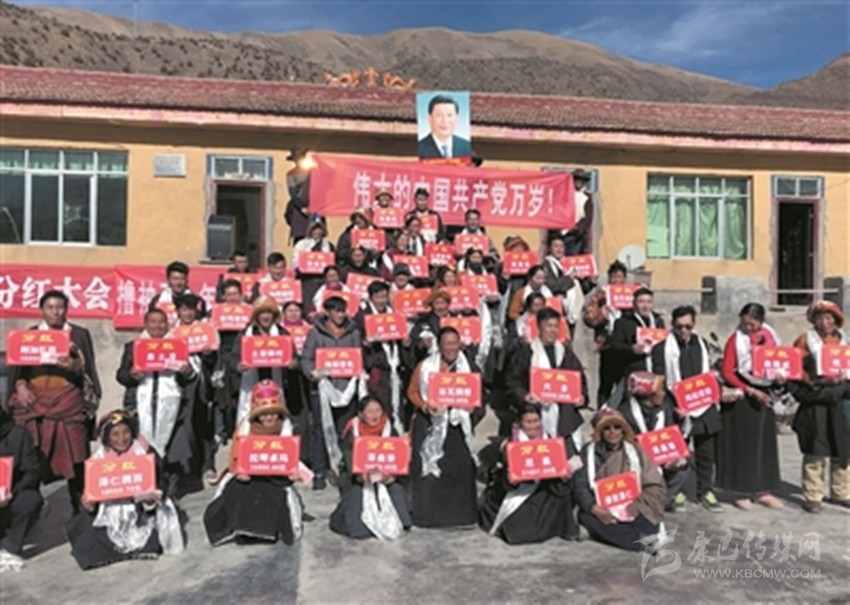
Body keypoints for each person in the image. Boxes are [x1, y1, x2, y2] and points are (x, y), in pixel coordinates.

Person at [8, 289, 101, 514]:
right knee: (31, 456)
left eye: (60, 307)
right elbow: (19, 371)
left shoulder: (78, 335)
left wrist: (74, 366)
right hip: (34, 403)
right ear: (42, 310)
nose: (55, 312)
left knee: (78, 458)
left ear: (66, 310)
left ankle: (81, 509)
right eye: (50, 307)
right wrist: (20, 387)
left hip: (67, 404)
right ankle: (30, 506)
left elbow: (88, 370)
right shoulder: (30, 335)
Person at [66, 410, 184, 570]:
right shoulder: (98, 460)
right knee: (88, 535)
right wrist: (89, 502)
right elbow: (91, 491)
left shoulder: (145, 451)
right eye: (115, 434)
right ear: (106, 437)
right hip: (109, 510)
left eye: (126, 432)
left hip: (141, 509)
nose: (122, 439)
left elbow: (161, 480)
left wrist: (152, 497)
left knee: (152, 532)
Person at [203, 381, 306, 546]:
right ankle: (241, 527)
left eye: (273, 413)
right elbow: (236, 457)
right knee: (237, 489)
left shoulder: (286, 428)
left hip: (276, 477)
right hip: (249, 476)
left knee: (274, 492)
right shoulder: (245, 428)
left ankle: (270, 529)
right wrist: (240, 471)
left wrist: (294, 472)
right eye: (264, 414)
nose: (269, 418)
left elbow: (291, 459)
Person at [407, 328, 484, 528]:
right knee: (430, 467)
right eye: (447, 344)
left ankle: (461, 516)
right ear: (439, 346)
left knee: (461, 467)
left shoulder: (469, 367)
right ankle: (428, 516)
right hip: (432, 422)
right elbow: (412, 391)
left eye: (454, 343)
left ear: (460, 344)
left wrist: (473, 407)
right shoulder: (425, 366)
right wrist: (425, 406)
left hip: (458, 424)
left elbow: (479, 395)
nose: (451, 348)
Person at [117, 309, 198, 497]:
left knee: (172, 448)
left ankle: (170, 493)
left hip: (172, 404)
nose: (158, 326)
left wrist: (186, 372)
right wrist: (132, 375)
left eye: (162, 322)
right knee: (141, 446)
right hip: (140, 403)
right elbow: (121, 375)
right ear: (145, 324)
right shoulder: (133, 347)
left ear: (167, 324)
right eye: (153, 322)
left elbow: (191, 377)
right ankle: (144, 487)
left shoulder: (177, 346)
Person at [651, 305, 721, 511]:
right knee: (677, 452)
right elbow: (660, 381)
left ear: (694, 325)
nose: (684, 331)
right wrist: (673, 406)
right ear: (672, 325)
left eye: (688, 327)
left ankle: (705, 490)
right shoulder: (661, 349)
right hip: (676, 406)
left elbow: (708, 375)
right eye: (679, 327)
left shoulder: (702, 344)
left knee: (706, 451)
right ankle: (678, 490)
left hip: (703, 405)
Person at [478, 403, 578, 544]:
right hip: (519, 491)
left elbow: (558, 470)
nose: (533, 426)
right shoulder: (510, 445)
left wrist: (565, 476)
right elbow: (500, 477)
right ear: (520, 423)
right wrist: (510, 480)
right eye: (528, 422)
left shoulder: (551, 442)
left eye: (536, 421)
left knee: (561, 495)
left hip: (543, 489)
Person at [719, 303, 783, 510]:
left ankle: (762, 490)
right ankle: (741, 491)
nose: (748, 328)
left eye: (753, 325)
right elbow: (727, 371)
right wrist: (750, 390)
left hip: (765, 392)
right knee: (743, 445)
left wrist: (780, 377)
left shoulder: (771, 338)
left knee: (764, 444)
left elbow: (780, 363)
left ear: (761, 323)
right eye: (745, 323)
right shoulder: (735, 340)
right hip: (743, 395)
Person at [573, 409, 666, 552]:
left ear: (623, 430)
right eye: (607, 428)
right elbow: (580, 485)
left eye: (617, 427)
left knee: (648, 514)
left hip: (634, 505)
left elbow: (654, 484)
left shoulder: (636, 450)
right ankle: (639, 541)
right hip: (603, 507)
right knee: (586, 516)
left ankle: (603, 534)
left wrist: (638, 504)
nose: (612, 432)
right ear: (599, 431)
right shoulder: (588, 451)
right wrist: (594, 508)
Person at [788, 301, 850, 512]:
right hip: (816, 399)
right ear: (813, 320)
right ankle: (813, 495)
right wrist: (818, 381)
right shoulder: (804, 341)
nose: (825, 322)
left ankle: (841, 492)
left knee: (843, 447)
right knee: (815, 447)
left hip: (841, 400)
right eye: (820, 318)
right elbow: (795, 368)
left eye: (829, 318)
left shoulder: (844, 342)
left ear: (836, 321)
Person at [301, 296, 367, 490]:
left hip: (347, 388)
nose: (340, 315)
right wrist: (313, 373)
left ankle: (343, 468)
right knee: (321, 430)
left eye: (342, 311)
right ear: (327, 312)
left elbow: (358, 356)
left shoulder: (353, 332)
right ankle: (320, 471)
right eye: (336, 311)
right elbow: (306, 359)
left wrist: (359, 370)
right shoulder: (315, 333)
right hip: (322, 388)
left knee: (344, 429)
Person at [329, 397, 412, 540]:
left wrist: (391, 476)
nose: (375, 415)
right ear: (361, 414)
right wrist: (361, 476)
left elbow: (397, 456)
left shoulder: (389, 429)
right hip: (358, 476)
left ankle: (401, 520)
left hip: (385, 475)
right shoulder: (352, 430)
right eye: (370, 412)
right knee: (357, 493)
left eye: (378, 411)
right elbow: (349, 458)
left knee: (396, 489)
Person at [505, 308, 588, 451]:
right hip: (536, 415)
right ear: (539, 326)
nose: (553, 330)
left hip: (565, 416)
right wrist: (524, 395)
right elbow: (512, 381)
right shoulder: (526, 353)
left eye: (556, 326)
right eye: (549, 325)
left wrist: (582, 397)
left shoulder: (566, 353)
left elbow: (579, 380)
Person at [620, 372, 692, 512]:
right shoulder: (625, 413)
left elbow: (673, 435)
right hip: (634, 461)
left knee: (684, 465)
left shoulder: (665, 408)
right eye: (660, 391)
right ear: (648, 395)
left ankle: (659, 502)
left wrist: (681, 420)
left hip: (659, 459)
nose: (663, 394)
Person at [354, 281, 408, 433]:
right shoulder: (362, 317)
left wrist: (406, 343)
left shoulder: (395, 315)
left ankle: (395, 435)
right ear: (370, 298)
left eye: (384, 297)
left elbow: (401, 338)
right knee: (380, 406)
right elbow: (356, 342)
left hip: (394, 366)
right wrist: (366, 344)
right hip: (377, 368)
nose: (382, 301)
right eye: (378, 297)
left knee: (397, 405)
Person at [0, 407, 42, 571]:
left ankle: (10, 546)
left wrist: (11, 491)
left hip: (11, 494)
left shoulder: (18, 434)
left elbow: (32, 471)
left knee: (30, 500)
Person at [583, 260, 628, 406]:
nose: (616, 280)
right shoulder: (600, 295)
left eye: (619, 277)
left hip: (626, 344)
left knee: (623, 382)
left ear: (624, 279)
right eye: (613, 276)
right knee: (606, 382)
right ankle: (602, 409)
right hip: (606, 343)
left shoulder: (630, 295)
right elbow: (589, 318)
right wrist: (602, 314)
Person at [610, 287, 664, 387]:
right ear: (634, 304)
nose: (645, 306)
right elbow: (615, 345)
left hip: (655, 370)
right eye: (641, 302)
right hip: (634, 372)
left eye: (649, 302)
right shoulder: (624, 322)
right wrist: (631, 349)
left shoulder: (658, 321)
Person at [541, 238, 585, 337]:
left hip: (570, 308)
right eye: (556, 246)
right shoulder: (546, 265)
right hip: (555, 308)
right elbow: (552, 285)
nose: (559, 249)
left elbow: (580, 287)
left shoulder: (570, 264)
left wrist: (592, 281)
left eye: (561, 246)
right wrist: (569, 279)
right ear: (549, 248)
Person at [548, 169, 594, 255]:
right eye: (576, 179)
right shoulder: (563, 194)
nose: (578, 182)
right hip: (560, 233)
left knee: (572, 257)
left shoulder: (587, 197)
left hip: (575, 236)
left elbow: (588, 219)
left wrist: (578, 229)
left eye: (581, 180)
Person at [292, 216, 335, 311]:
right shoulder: (301, 244)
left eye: (319, 229)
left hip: (322, 280)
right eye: (314, 229)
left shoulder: (328, 245)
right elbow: (295, 262)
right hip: (307, 280)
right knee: (308, 307)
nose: (317, 232)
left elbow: (332, 264)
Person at [417, 94, 471, 160]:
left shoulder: (466, 146)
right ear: (430, 119)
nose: (445, 121)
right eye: (439, 115)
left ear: (456, 118)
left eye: (449, 115)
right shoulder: (419, 148)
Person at [284, 149, 311, 245]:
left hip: (314, 207)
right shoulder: (291, 174)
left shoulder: (313, 171)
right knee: (300, 237)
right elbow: (293, 193)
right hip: (299, 209)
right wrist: (301, 207)